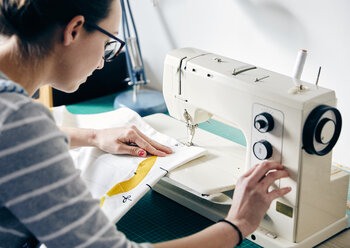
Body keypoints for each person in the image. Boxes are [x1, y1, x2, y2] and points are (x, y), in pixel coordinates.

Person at [0, 0, 292, 247]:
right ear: (74, 30)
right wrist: (237, 225)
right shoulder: (20, 122)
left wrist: (92, 136)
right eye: (108, 42)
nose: (103, 61)